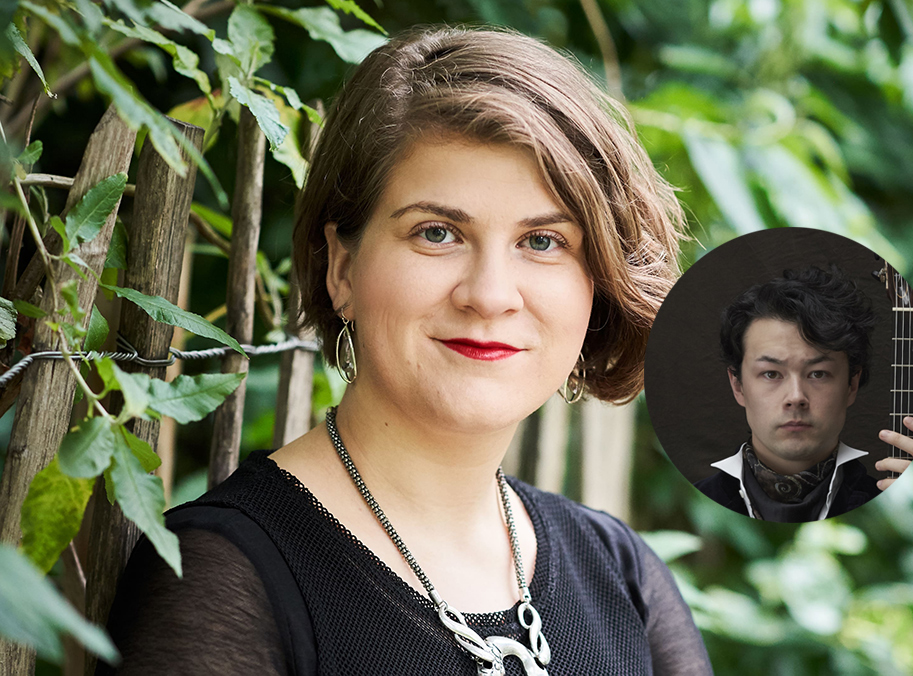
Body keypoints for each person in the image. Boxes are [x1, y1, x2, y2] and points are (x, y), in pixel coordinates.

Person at [101, 25, 712, 675]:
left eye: (542, 242)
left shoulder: (624, 577)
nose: (490, 295)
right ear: (342, 268)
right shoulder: (224, 577)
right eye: (438, 232)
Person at [694, 265, 913, 522]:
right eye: (771, 374)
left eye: (818, 373)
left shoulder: (891, 505)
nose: (796, 397)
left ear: (851, 384)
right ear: (738, 385)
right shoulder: (697, 503)